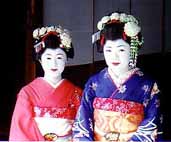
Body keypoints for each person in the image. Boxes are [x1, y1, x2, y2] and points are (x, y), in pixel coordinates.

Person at [72, 12, 163, 142]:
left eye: (121, 50)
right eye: (108, 50)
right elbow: (83, 121)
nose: (114, 56)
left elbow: (152, 122)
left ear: (133, 50)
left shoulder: (148, 85)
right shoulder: (94, 83)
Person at [9, 25, 82, 141]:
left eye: (59, 57)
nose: (53, 63)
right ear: (40, 60)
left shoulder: (77, 93)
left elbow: (82, 129)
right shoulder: (27, 93)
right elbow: (21, 131)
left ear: (66, 59)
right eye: (48, 58)